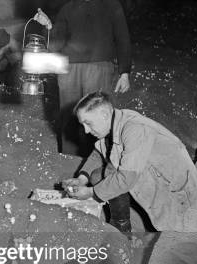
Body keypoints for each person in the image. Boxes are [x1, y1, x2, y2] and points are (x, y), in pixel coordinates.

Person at [62, 92, 197, 232]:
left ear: (104, 115)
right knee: (98, 176)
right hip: (150, 174)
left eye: (88, 123)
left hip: (174, 187)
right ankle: (121, 224)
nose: (86, 131)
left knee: (113, 175)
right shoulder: (113, 122)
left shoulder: (134, 129)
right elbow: (98, 152)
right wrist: (81, 179)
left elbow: (126, 178)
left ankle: (121, 228)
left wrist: (91, 192)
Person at [33, 1, 132, 156]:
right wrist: (48, 26)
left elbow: (122, 37)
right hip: (68, 67)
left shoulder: (112, 5)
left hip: (99, 66)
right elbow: (55, 44)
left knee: (97, 112)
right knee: (68, 112)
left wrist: (124, 71)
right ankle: (69, 154)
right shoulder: (68, 7)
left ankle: (98, 157)